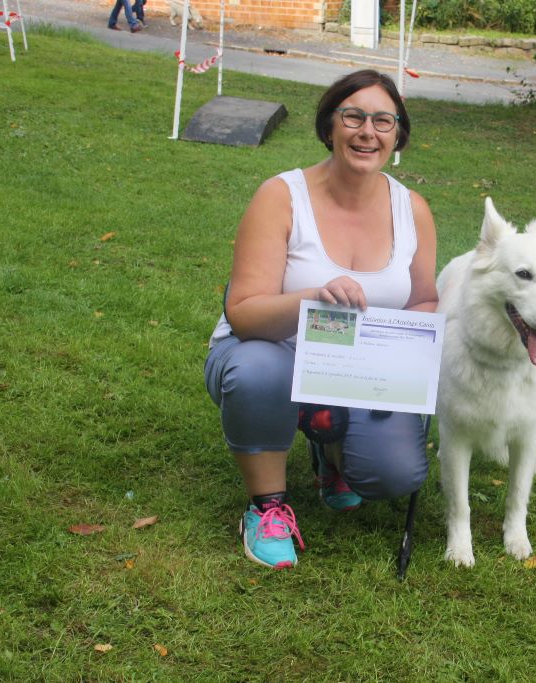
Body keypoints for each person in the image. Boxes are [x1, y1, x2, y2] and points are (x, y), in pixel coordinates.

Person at [204, 70, 439, 570]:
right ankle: (266, 506)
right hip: (270, 349)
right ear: (329, 125)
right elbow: (243, 313)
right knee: (259, 372)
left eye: (383, 121)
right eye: (353, 117)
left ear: (397, 134)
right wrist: (313, 299)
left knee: (393, 474)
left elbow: (424, 301)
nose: (367, 132)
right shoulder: (281, 195)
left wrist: (403, 355)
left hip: (358, 367)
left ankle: (330, 451)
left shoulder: (413, 209)